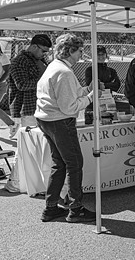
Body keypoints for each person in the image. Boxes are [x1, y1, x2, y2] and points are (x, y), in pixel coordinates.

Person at [35, 33, 96, 223]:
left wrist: (87, 90)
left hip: (47, 119)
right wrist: (91, 97)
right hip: (60, 121)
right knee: (74, 164)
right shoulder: (64, 72)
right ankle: (75, 208)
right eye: (79, 51)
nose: (81, 55)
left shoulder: (55, 67)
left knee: (59, 163)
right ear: (70, 50)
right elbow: (68, 106)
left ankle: (51, 207)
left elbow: (69, 94)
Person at [9, 34, 52, 128]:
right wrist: (44, 82)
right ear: (34, 46)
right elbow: (22, 85)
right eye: (43, 51)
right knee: (30, 140)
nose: (44, 54)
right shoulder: (20, 61)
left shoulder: (40, 60)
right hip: (28, 109)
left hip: (42, 107)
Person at [84, 46, 121, 125]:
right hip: (92, 104)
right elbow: (91, 85)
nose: (101, 57)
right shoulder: (90, 70)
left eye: (103, 54)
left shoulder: (111, 71)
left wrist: (104, 85)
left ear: (106, 55)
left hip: (108, 104)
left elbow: (117, 85)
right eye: (98, 54)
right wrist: (108, 84)